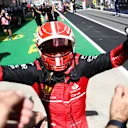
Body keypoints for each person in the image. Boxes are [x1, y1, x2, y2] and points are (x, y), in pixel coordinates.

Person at [0, 21, 128, 127]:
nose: (57, 53)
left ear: (72, 45)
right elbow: (3, 72)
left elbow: (113, 57)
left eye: (63, 46)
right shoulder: (35, 71)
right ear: (39, 48)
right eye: (50, 47)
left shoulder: (82, 64)